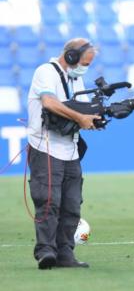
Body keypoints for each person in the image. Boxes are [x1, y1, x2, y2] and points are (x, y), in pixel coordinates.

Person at [27, 38, 99, 269]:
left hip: (70, 149)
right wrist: (81, 118)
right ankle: (46, 251)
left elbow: (87, 110)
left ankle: (65, 253)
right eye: (84, 62)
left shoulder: (77, 80)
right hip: (45, 146)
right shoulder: (45, 72)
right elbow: (49, 102)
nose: (85, 68)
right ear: (70, 56)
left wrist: (99, 118)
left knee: (72, 204)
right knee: (48, 200)